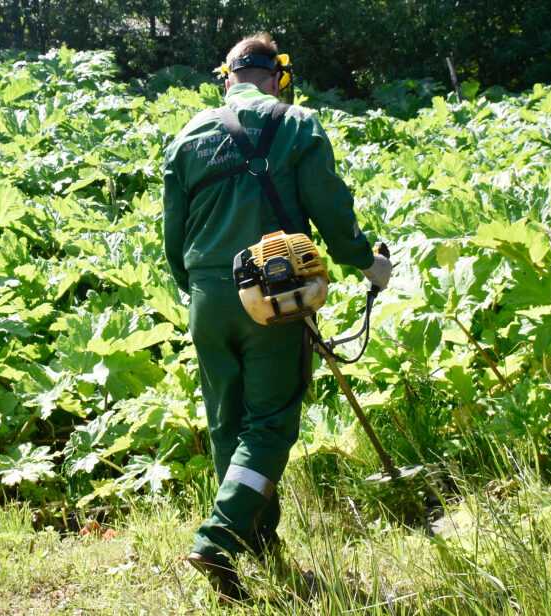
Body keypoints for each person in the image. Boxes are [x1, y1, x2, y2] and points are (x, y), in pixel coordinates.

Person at [161, 32, 392, 601]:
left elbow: (173, 238)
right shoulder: (297, 126)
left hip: (208, 298)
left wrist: (199, 291)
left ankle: (255, 543)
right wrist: (369, 265)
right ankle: (218, 539)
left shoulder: (188, 136)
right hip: (274, 294)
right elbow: (332, 213)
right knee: (270, 425)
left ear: (229, 77)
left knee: (228, 424)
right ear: (276, 77)